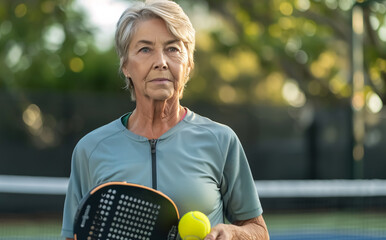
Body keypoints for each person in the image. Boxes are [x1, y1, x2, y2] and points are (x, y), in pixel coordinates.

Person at [61, 0, 269, 239]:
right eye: (145, 49)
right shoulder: (90, 150)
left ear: (188, 64)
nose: (161, 61)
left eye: (173, 49)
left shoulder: (221, 140)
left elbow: (259, 231)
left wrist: (232, 234)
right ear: (126, 66)